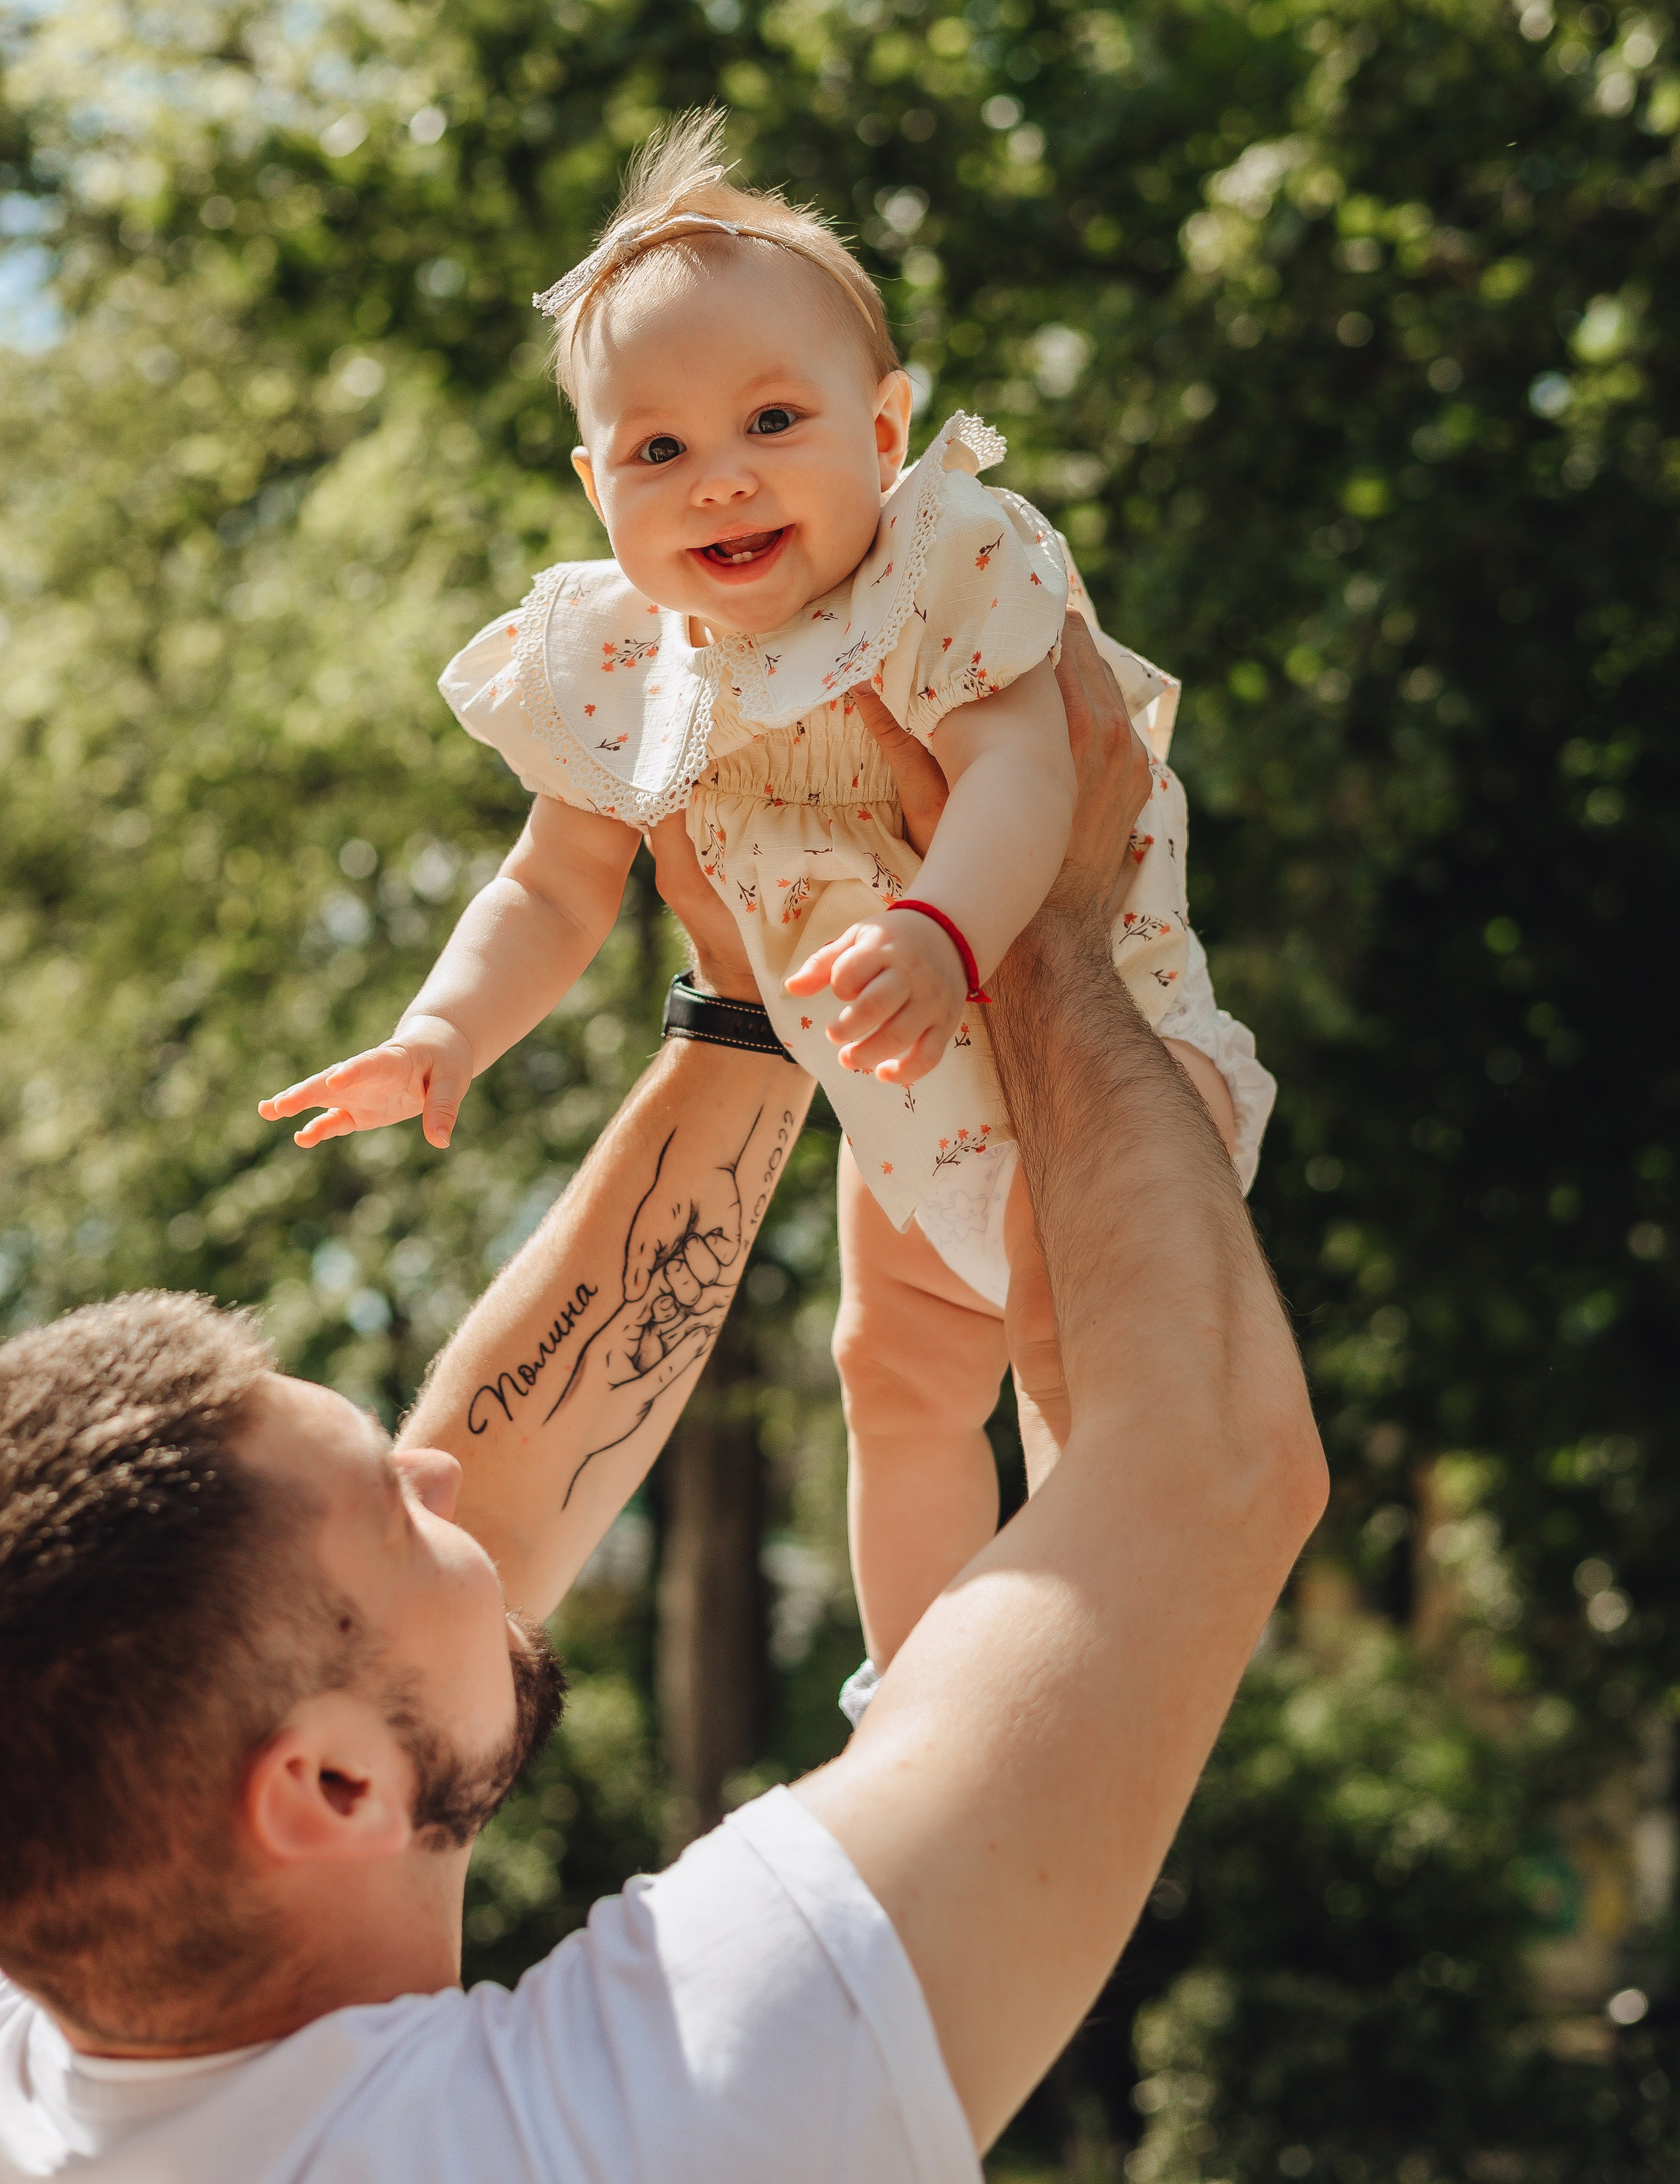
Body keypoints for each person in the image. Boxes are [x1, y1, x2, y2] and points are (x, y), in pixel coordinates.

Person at [0, 623, 1326, 2181]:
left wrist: (752, 1001)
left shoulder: (60, 2035)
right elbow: (1206, 1460)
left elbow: (456, 1527)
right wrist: (1036, 920)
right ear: (332, 1787)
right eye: (392, 1509)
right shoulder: (639, 2126)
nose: (444, 1487)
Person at [259, 108, 1278, 1679]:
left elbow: (1026, 777)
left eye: (771, 423)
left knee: (1082, 1369)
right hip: (896, 1089)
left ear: (885, 428)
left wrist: (942, 926)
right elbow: (553, 881)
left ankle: (1100, 1672)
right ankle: (916, 1695)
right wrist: (443, 1030)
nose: (717, 482)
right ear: (595, 483)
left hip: (1088, 1051)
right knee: (888, 1370)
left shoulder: (939, 565)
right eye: (659, 452)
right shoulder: (618, 662)